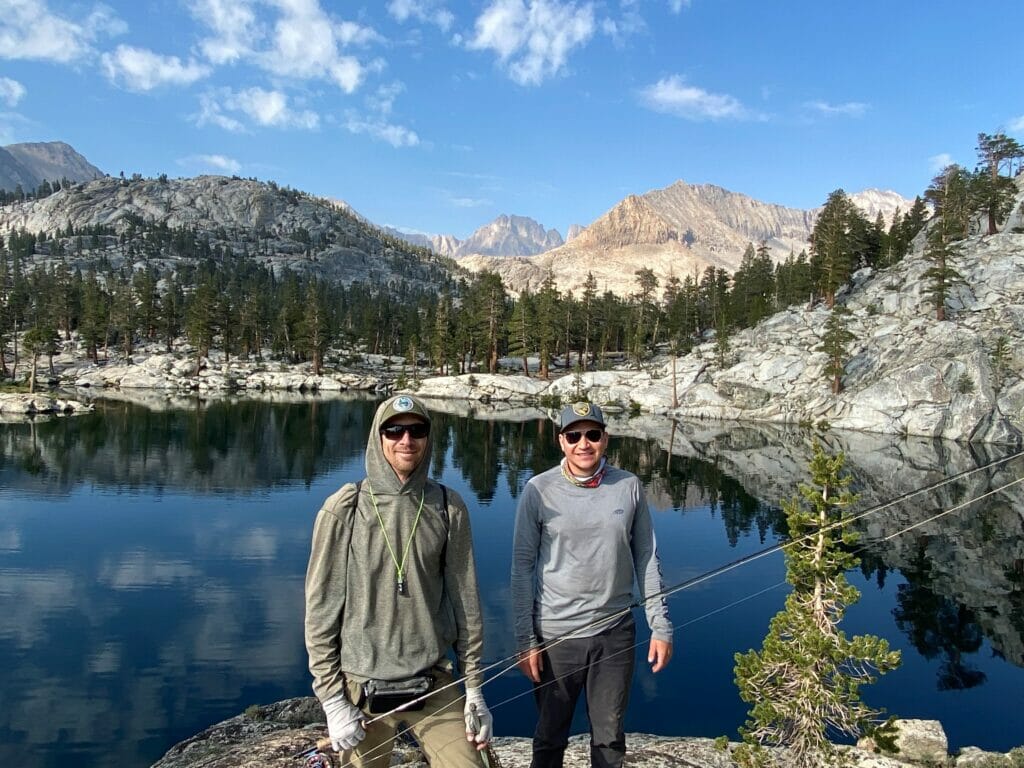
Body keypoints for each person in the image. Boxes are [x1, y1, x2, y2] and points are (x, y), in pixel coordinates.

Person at [305, 394, 493, 767]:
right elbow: (320, 611)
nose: (406, 440)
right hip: (360, 687)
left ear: (428, 437)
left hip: (433, 681)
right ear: (379, 437)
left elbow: (466, 602)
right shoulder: (345, 507)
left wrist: (474, 689)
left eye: (416, 430)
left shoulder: (448, 506)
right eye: (394, 430)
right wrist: (332, 700)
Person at [511, 401, 673, 768]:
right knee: (550, 736)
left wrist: (660, 626)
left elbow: (647, 558)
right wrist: (525, 641)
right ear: (561, 441)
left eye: (592, 434)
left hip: (615, 634)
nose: (584, 443)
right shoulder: (538, 490)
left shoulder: (628, 485)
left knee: (610, 736)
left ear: (605, 439)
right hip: (556, 636)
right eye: (574, 436)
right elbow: (521, 569)